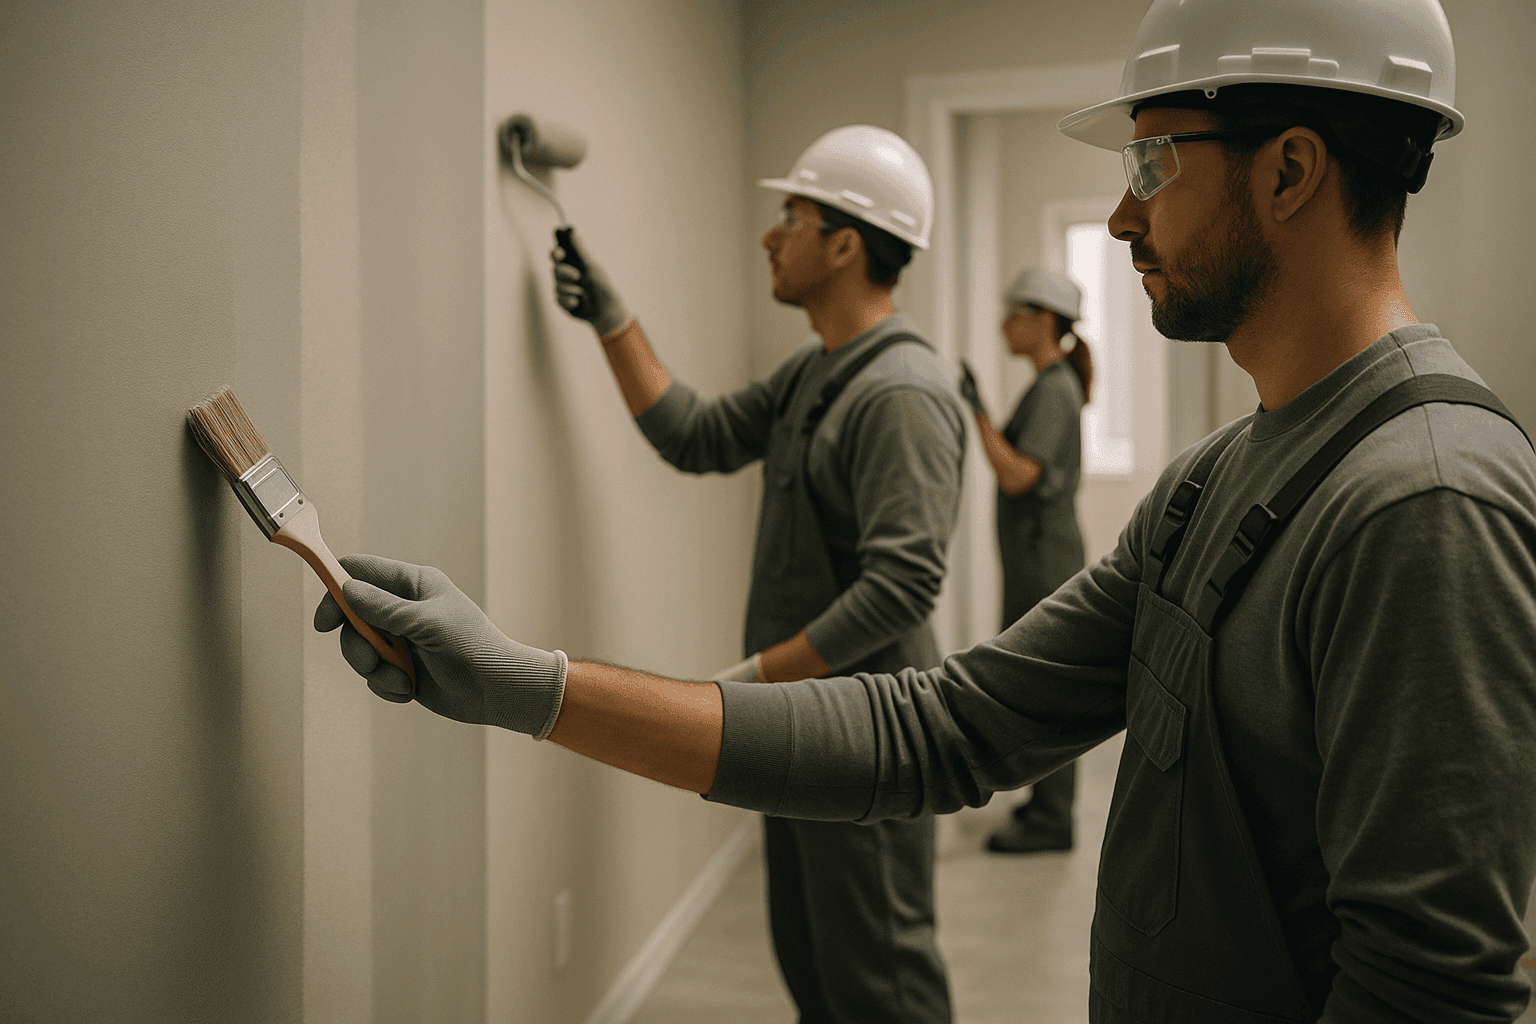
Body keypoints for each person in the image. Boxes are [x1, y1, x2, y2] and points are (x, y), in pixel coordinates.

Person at [316, 1, 1536, 1020]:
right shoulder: (1214, 479)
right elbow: (943, 727)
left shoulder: (1421, 504)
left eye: (1151, 163)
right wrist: (524, 683)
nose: (1121, 216)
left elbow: (1431, 991)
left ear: (1290, 168)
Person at [544, 125, 962, 1024]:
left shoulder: (900, 395)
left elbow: (903, 587)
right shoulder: (816, 372)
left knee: (880, 978)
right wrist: (614, 320)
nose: (771, 236)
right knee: (814, 963)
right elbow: (692, 434)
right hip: (802, 724)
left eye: (792, 217)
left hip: (863, 742)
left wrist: (746, 687)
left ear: (846, 243)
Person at [957, 268, 1092, 854]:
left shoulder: (1055, 390)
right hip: (1037, 557)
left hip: (1044, 561)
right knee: (1039, 685)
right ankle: (1044, 806)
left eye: (1014, 312)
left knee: (1046, 690)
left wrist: (978, 413)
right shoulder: (1048, 385)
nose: (1003, 323)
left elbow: (1018, 475)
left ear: (1043, 319)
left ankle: (1052, 819)